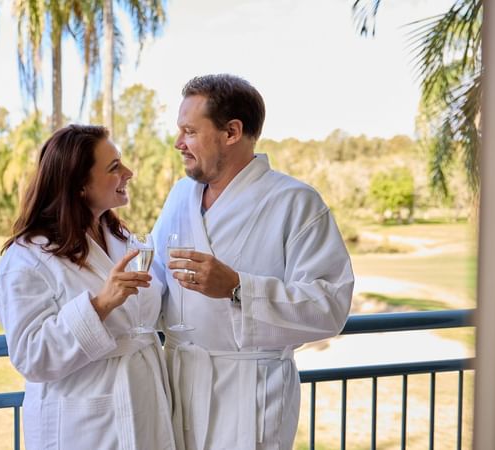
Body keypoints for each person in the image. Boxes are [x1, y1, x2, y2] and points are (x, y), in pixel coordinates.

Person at [151, 74, 354, 449]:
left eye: (190, 131)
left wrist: (238, 288)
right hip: (179, 384)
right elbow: (154, 277)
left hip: (252, 395)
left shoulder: (296, 202)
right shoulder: (180, 196)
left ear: (231, 132)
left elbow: (331, 305)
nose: (179, 143)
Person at [0, 124, 176, 450]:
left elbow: (150, 310)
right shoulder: (26, 257)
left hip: (144, 404)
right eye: (114, 167)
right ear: (79, 185)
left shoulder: (122, 240)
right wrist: (100, 305)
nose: (128, 172)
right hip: (82, 423)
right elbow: (31, 356)